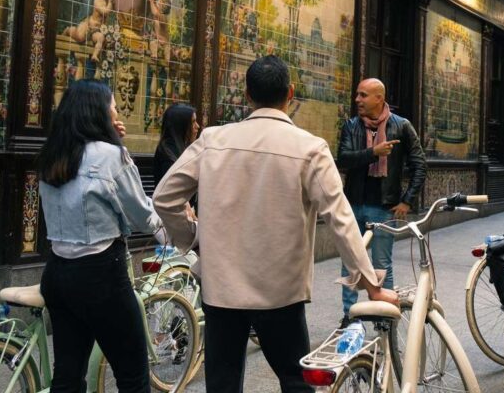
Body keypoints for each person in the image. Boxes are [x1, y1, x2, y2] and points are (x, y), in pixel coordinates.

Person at [152, 55, 399, 393]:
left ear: (247, 94)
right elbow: (340, 219)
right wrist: (371, 284)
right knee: (296, 381)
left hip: (222, 289)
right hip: (280, 293)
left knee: (222, 384)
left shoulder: (212, 140)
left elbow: (165, 197)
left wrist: (195, 240)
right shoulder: (310, 148)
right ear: (291, 94)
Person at [37, 80, 163, 392]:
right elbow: (143, 216)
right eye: (114, 106)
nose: (117, 112)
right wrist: (169, 227)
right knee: (132, 374)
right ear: (98, 113)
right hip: (101, 277)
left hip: (57, 273)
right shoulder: (110, 156)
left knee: (67, 375)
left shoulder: (52, 154)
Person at [336, 78, 427, 329]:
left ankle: (383, 315)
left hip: (384, 207)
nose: (357, 100)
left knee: (382, 264)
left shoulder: (402, 126)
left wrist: (407, 201)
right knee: (351, 262)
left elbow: (420, 165)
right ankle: (350, 316)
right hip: (353, 204)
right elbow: (343, 159)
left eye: (363, 95)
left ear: (379, 98)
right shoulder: (351, 126)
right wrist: (373, 153)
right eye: (357, 95)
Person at [153, 103, 199, 185]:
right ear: (181, 126)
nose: (197, 126)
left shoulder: (180, 148)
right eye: (193, 122)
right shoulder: (168, 154)